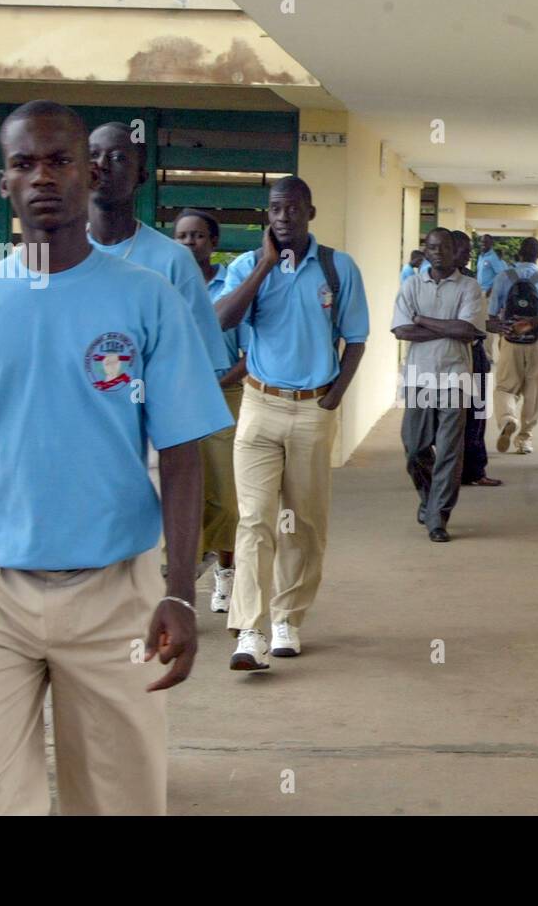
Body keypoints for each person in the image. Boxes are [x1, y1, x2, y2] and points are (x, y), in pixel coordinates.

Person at [0, 100, 232, 815]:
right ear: (4, 185)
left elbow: (179, 454)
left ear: (90, 172)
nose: (42, 176)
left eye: (59, 160)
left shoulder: (149, 299)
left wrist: (178, 590)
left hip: (116, 597)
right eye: (24, 163)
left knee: (120, 803)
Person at [213, 176, 369, 671]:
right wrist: (263, 264)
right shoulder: (245, 266)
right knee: (255, 520)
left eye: (293, 208)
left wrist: (333, 400)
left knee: (304, 523)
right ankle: (250, 631)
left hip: (312, 408)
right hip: (259, 405)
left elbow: (356, 339)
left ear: (310, 212)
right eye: (276, 209)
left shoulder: (336, 267)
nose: (283, 217)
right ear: (268, 215)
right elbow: (222, 320)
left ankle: (288, 619)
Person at [87, 123, 227, 377]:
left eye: (117, 157)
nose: (102, 165)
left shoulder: (174, 261)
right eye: (92, 155)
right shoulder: (59, 257)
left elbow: (202, 362)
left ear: (141, 176)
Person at [174, 208, 248, 612]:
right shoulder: (163, 283)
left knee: (226, 494)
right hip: (176, 399)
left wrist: (216, 382)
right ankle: (182, 579)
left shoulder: (231, 283)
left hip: (224, 394)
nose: (190, 243)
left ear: (213, 242)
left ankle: (225, 569)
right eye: (182, 236)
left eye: (198, 236)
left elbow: (250, 354)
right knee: (183, 492)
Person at [391, 228, 483, 542]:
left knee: (448, 451)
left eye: (444, 247)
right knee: (415, 447)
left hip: (456, 376)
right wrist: (447, 329)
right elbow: (402, 331)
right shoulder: (412, 285)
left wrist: (423, 320)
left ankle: (438, 517)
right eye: (432, 247)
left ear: (454, 250)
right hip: (419, 375)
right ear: (426, 251)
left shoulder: (470, 287)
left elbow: (468, 331)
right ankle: (429, 499)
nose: (438, 252)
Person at [487, 238, 538, 455]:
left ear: (519, 254)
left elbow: (492, 314)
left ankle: (508, 418)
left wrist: (504, 331)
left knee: (505, 387)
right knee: (533, 391)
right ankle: (524, 439)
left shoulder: (503, 278)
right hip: (535, 341)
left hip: (510, 340)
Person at [451, 231, 502, 487]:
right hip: (450, 356)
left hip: (475, 351)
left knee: (478, 411)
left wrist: (497, 326)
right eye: (463, 249)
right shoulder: (431, 282)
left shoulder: (471, 280)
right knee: (449, 416)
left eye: (470, 249)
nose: (469, 254)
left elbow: (477, 322)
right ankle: (451, 470)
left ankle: (475, 470)